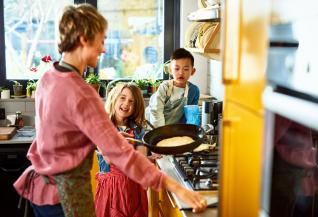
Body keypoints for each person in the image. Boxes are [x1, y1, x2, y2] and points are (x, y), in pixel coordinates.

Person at [13, 4, 207, 217]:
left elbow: (60, 137)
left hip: (39, 191)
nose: (104, 49)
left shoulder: (48, 78)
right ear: (84, 39)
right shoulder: (82, 93)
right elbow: (120, 155)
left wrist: (105, 137)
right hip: (65, 198)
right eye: (101, 40)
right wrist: (176, 187)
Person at [95, 82, 155, 217]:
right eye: (122, 98)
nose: (126, 104)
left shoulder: (139, 130)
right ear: (114, 98)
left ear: (136, 107)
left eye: (131, 101)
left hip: (134, 190)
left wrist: (149, 159)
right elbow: (109, 159)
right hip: (111, 191)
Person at [145, 48, 200, 127]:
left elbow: (191, 116)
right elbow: (156, 111)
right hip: (155, 127)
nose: (181, 73)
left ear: (193, 71)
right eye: (177, 69)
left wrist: (187, 131)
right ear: (170, 70)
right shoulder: (165, 87)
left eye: (186, 69)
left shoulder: (194, 91)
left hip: (174, 130)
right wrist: (161, 132)